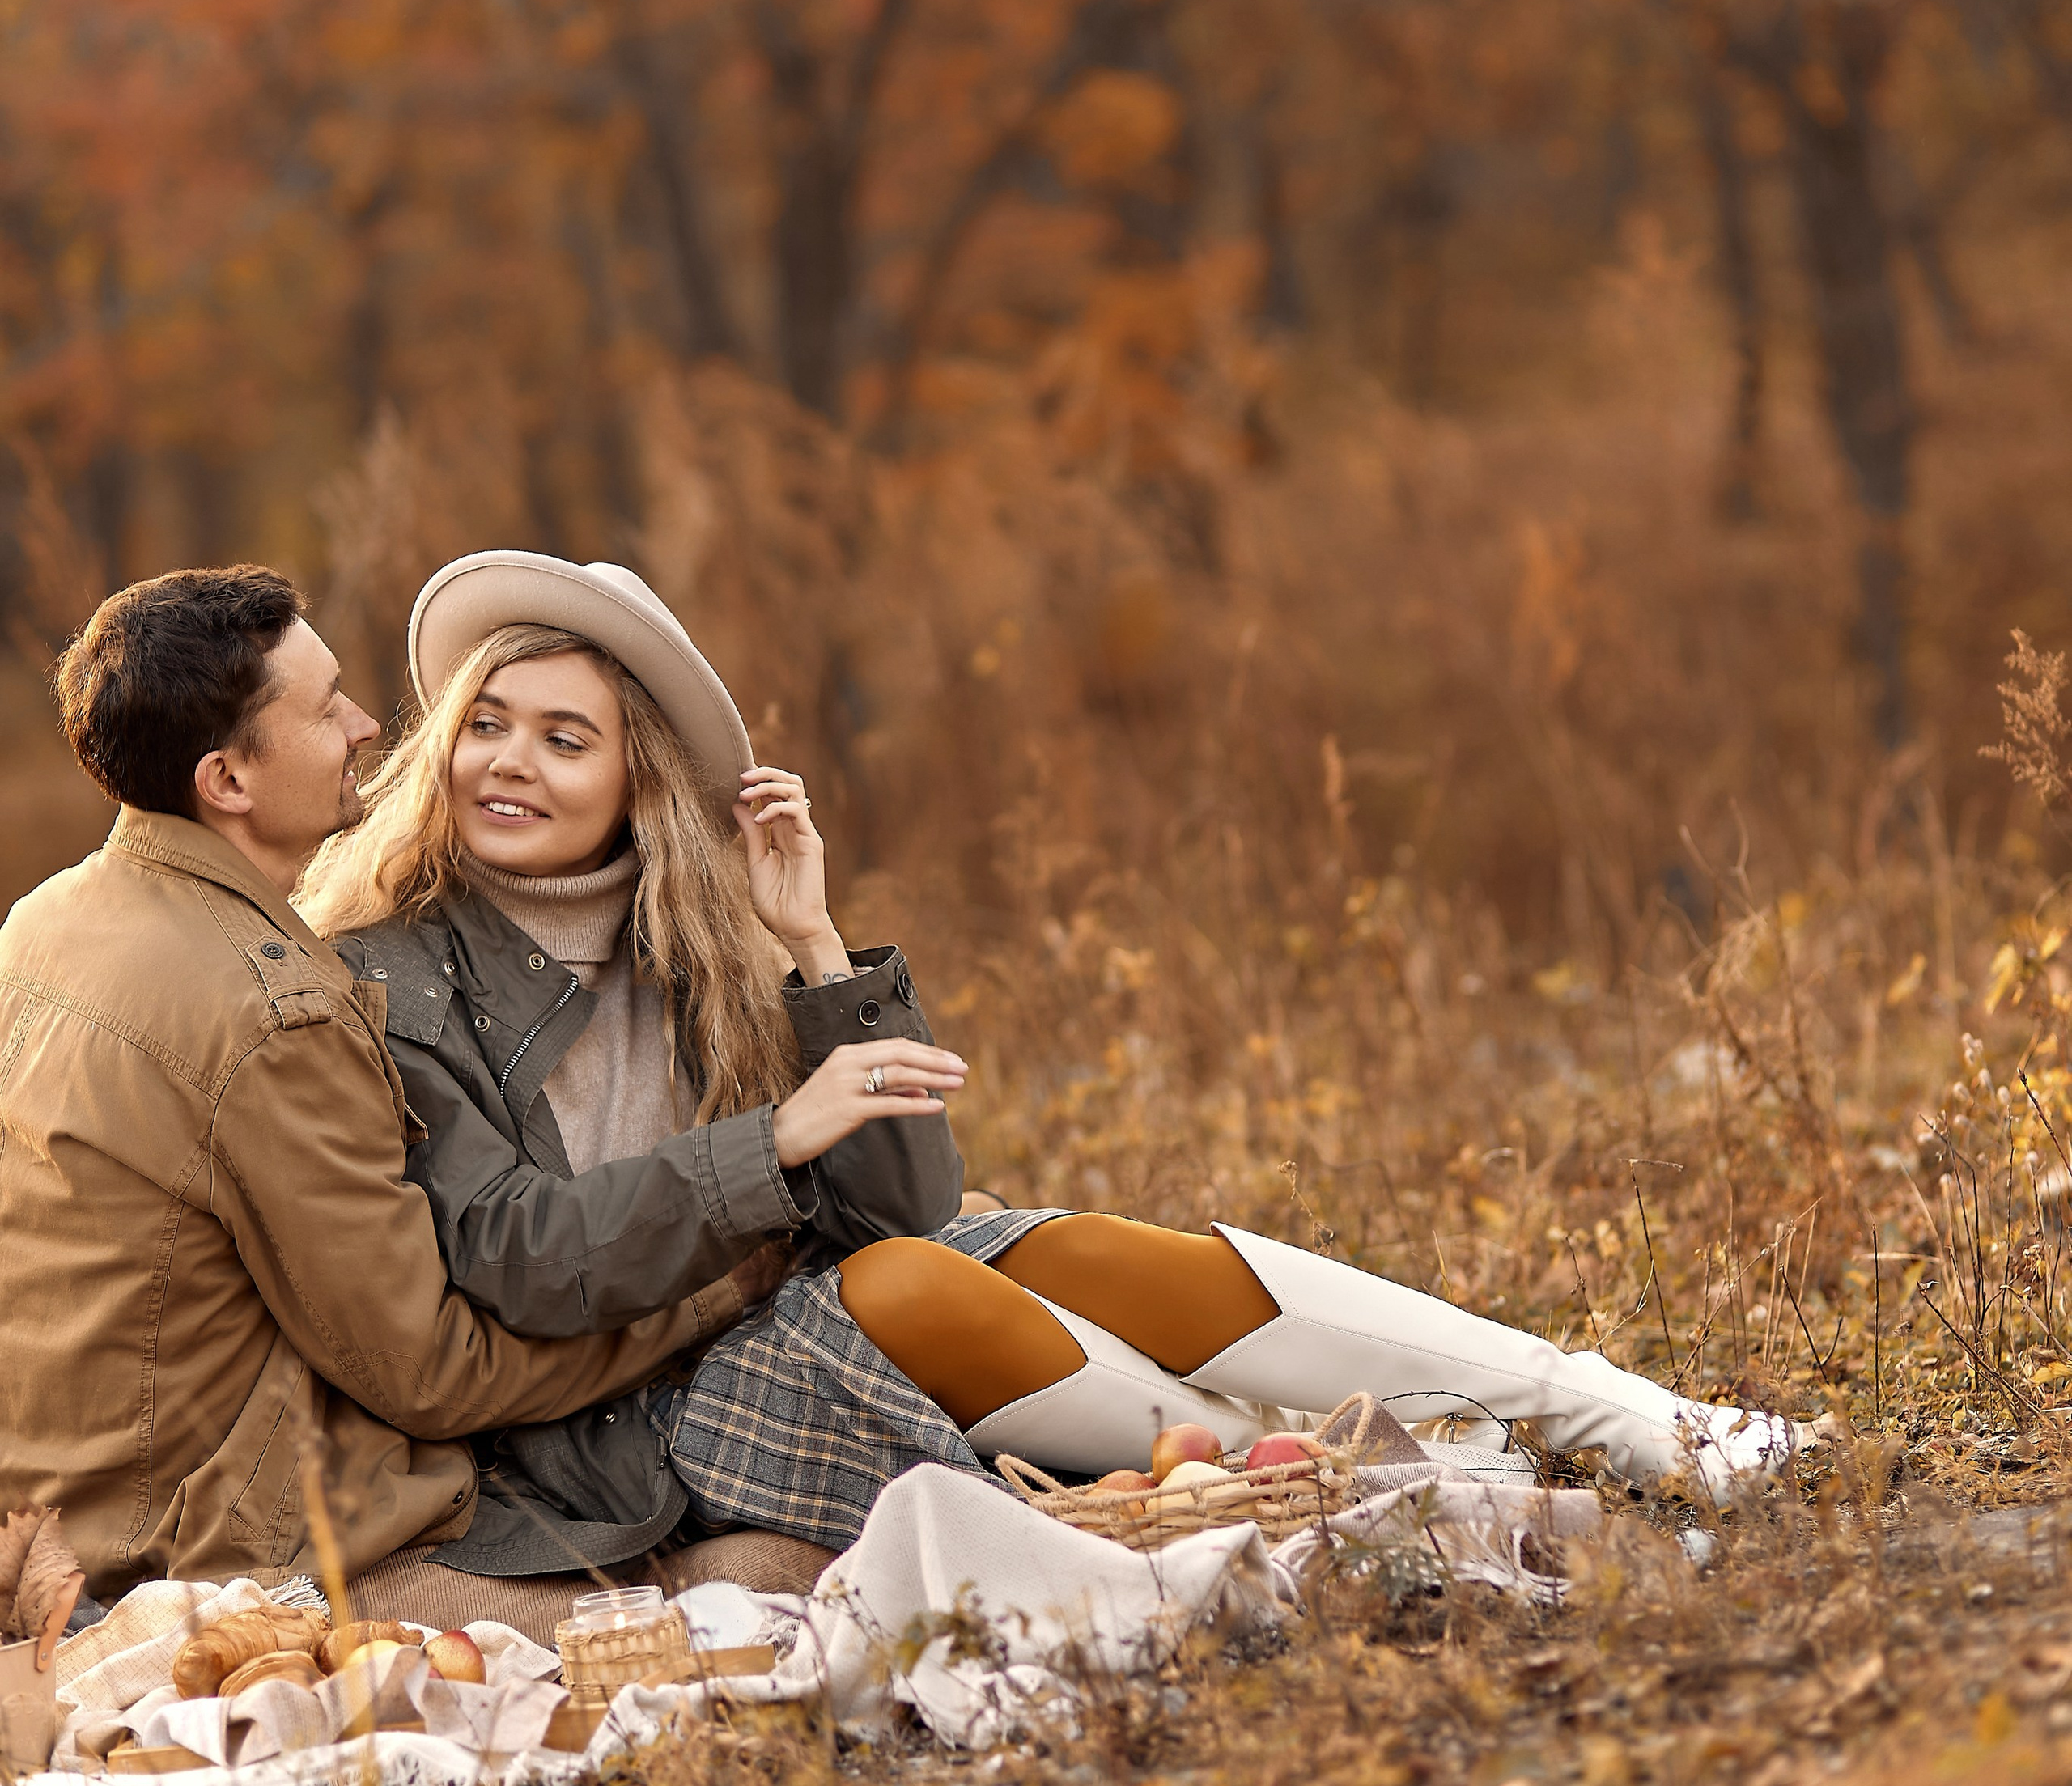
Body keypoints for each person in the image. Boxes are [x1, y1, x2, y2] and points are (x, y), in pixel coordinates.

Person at [301, 551, 1804, 1581]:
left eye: (567, 740)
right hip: (614, 1425)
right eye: (486, 725)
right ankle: (1376, 1492)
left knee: (1076, 1248)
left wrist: (818, 955)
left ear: (637, 783)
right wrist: (772, 1145)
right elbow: (507, 1256)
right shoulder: (390, 969)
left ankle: (1625, 1417)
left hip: (766, 1313)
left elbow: (895, 1201)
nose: (510, 762)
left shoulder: (696, 939)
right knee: (911, 1291)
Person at [0, 566, 763, 1616]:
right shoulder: (280, 1012)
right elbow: (435, 1376)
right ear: (228, 781)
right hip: (221, 1545)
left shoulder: (50, 918)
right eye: (324, 711)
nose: (367, 724)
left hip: (65, 1503)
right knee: (735, 1611)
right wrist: (716, 1291)